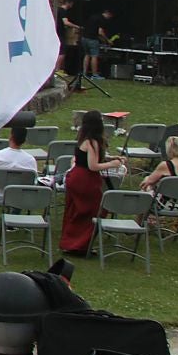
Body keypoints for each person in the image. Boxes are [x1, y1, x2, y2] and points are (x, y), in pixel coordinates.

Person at [59, 109, 126, 255]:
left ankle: (73, 243)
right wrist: (112, 164)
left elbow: (90, 159)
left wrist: (110, 158)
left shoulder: (84, 139)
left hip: (78, 177)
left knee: (77, 211)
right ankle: (79, 244)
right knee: (94, 210)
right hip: (85, 179)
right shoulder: (92, 142)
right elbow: (93, 166)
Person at [140, 135, 178, 216]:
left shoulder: (166, 165)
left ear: (169, 149)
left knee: (146, 187)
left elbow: (145, 184)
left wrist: (149, 182)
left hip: (165, 205)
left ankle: (139, 223)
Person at [0, 123, 39, 204]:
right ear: (24, 140)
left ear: (11, 137)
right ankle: (15, 212)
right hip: (21, 198)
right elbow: (33, 182)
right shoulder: (30, 160)